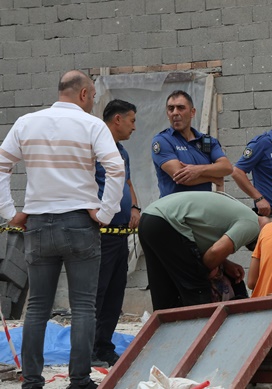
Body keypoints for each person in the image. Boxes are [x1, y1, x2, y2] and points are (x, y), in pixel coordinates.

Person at [0, 70, 125, 389]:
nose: (94, 101)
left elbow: (1, 163)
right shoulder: (92, 124)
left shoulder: (27, 123)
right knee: (83, 306)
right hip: (80, 224)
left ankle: (31, 381)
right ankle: (80, 380)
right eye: (94, 96)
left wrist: (10, 212)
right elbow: (116, 167)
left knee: (38, 306)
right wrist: (106, 212)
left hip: (38, 225)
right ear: (83, 94)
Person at [138, 191, 272, 310]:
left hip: (150, 218)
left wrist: (224, 264)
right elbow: (214, 253)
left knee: (165, 294)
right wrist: (206, 269)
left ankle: (164, 337)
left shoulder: (242, 212)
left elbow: (203, 238)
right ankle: (199, 335)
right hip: (168, 223)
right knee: (197, 290)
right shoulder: (253, 225)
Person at [92, 99, 140, 367]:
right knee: (97, 292)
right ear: (118, 120)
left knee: (114, 293)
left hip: (121, 233)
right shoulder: (94, 149)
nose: (135, 127)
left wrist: (134, 206)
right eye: (132, 120)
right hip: (100, 234)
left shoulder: (122, 152)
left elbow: (128, 182)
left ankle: (105, 347)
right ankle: (89, 348)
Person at [151, 90, 232, 198]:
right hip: (174, 210)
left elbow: (226, 167)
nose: (175, 112)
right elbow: (181, 177)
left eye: (181, 108)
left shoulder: (205, 141)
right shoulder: (162, 140)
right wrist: (212, 177)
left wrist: (198, 170)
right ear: (167, 114)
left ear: (192, 112)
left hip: (202, 209)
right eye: (171, 109)